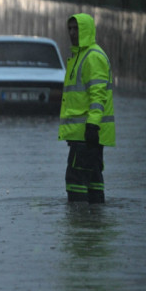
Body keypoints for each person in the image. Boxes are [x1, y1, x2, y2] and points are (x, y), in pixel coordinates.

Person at [58, 13, 115, 204]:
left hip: (88, 133)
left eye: (77, 29)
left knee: (75, 180)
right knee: (92, 181)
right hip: (84, 134)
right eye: (70, 29)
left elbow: (98, 96)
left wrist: (92, 126)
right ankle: (94, 225)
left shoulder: (92, 57)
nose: (72, 33)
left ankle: (79, 227)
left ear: (87, 30)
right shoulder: (80, 56)